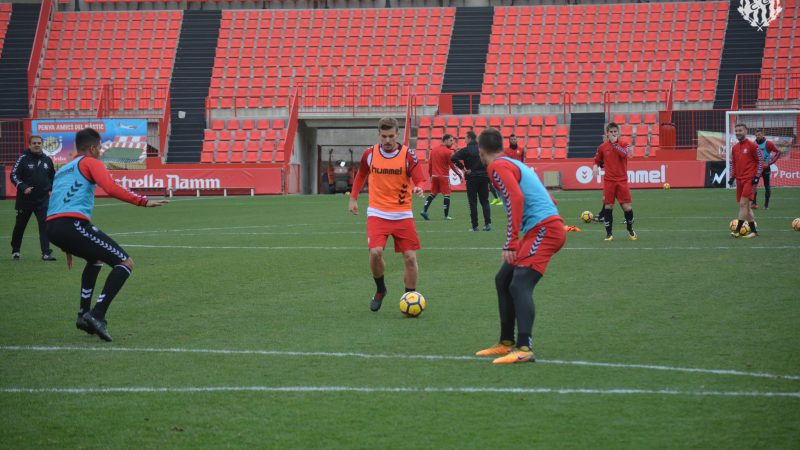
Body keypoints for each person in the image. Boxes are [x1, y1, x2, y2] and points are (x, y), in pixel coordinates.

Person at [46, 128, 168, 341]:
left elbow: (57, 201)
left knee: (95, 260)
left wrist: (65, 242)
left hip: (54, 226)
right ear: (93, 148)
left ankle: (84, 314)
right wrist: (143, 201)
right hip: (72, 223)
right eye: (100, 147)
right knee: (125, 263)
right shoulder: (90, 162)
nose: (101, 152)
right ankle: (97, 314)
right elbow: (110, 187)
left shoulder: (64, 169)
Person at [473, 128, 566, 364]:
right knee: (503, 279)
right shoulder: (513, 162)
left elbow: (516, 198)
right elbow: (549, 197)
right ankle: (506, 342)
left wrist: (511, 242)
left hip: (544, 229)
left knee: (520, 282)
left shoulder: (496, 167)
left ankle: (524, 347)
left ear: (481, 151)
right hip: (541, 228)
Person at [348, 118, 426, 312]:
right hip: (377, 212)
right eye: (384, 136)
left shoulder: (408, 155)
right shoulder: (370, 154)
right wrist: (353, 198)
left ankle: (410, 296)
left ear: (397, 135)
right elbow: (361, 175)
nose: (388, 140)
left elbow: (420, 178)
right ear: (379, 135)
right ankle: (381, 289)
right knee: (375, 253)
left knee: (409, 257)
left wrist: (419, 187)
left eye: (391, 136)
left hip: (402, 214)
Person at [10, 135, 56, 261]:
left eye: (39, 143)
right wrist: (23, 187)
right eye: (34, 143)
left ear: (42, 145)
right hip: (25, 200)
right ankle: (15, 250)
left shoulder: (47, 160)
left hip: (43, 200)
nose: (37, 145)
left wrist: (51, 188)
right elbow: (13, 175)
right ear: (29, 145)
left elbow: (53, 177)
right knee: (20, 225)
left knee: (45, 225)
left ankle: (46, 253)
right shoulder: (23, 159)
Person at [592, 122, 637, 241]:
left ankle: (630, 229)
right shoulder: (602, 147)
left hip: (622, 180)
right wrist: (595, 167)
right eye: (611, 132)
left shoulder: (624, 144)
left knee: (627, 207)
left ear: (618, 132)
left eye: (615, 132)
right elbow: (597, 160)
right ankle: (609, 234)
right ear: (607, 133)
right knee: (608, 206)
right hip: (609, 181)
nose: (613, 134)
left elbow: (625, 155)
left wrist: (614, 144)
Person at [452, 129, 492, 231]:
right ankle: (488, 224)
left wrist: (463, 168)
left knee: (473, 202)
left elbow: (453, 158)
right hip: (483, 177)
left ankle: (475, 226)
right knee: (485, 201)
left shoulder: (466, 150)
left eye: (465, 138)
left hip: (472, 178)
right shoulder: (483, 149)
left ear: (469, 138)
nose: (464, 140)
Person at [728, 123, 762, 238]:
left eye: (740, 130)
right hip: (739, 180)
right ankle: (754, 231)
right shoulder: (735, 148)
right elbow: (734, 163)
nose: (738, 132)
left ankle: (737, 230)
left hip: (750, 179)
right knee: (746, 207)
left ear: (746, 131)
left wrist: (757, 177)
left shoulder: (753, 146)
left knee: (743, 204)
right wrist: (732, 176)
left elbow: (760, 161)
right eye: (736, 131)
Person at [421, 134, 462, 220]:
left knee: (432, 194)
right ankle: (446, 216)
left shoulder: (434, 150)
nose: (452, 143)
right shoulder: (448, 152)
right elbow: (452, 165)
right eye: (451, 141)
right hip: (444, 176)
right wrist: (459, 174)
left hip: (435, 176)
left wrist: (430, 175)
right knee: (446, 195)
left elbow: (430, 164)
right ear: (445, 140)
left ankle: (424, 211)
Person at [751, 129, 781, 210]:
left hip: (766, 168)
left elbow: (778, 152)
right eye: (756, 135)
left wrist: (771, 162)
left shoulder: (768, 143)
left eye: (759, 135)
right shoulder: (753, 144)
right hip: (756, 168)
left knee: (767, 186)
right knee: (754, 185)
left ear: (763, 135)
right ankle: (754, 203)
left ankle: (766, 205)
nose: (758, 136)